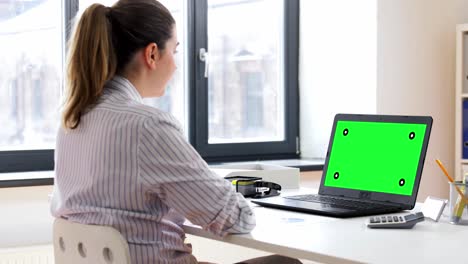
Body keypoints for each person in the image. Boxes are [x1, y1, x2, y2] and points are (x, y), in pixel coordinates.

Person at [50, 0, 301, 263]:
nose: (177, 65)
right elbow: (237, 219)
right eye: (175, 50)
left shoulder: (71, 120)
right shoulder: (149, 127)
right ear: (152, 54)